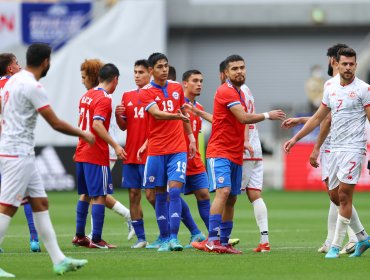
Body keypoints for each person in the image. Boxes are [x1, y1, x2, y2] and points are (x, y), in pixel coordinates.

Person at [0, 43, 92, 277]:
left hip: (22, 152)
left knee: (40, 203)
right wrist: (83, 133)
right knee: (7, 207)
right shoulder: (32, 85)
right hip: (16, 154)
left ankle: (59, 259)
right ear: (45, 62)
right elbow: (55, 122)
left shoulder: (12, 81)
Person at [284, 47, 370, 258]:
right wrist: (296, 138)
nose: (348, 67)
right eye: (345, 64)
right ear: (337, 65)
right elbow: (319, 118)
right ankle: (363, 238)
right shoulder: (330, 86)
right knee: (334, 196)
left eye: (352, 64)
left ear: (356, 65)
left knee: (343, 195)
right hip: (334, 148)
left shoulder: (364, 89)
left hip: (354, 147)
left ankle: (335, 245)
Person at [204, 54, 285, 254]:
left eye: (242, 67)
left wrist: (246, 141)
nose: (239, 71)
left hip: (236, 152)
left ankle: (223, 241)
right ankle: (212, 240)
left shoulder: (240, 93)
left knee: (232, 198)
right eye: (235, 69)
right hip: (220, 151)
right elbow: (243, 118)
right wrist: (268, 115)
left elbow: (240, 120)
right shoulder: (226, 90)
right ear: (226, 74)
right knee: (223, 193)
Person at [72, 59, 133, 250]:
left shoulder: (86, 95)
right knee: (99, 195)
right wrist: (115, 145)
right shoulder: (105, 98)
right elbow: (97, 124)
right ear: (115, 79)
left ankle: (80, 236)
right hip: (96, 154)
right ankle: (96, 239)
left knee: (85, 194)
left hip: (81, 152)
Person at [139, 52, 196, 252]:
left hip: (177, 148)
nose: (164, 70)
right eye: (160, 67)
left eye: (166, 66)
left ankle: (173, 238)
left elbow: (184, 114)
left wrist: (190, 138)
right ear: (151, 70)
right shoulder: (145, 91)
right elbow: (155, 113)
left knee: (174, 191)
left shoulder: (176, 88)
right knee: (159, 194)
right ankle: (164, 238)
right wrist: (176, 116)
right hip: (156, 150)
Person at [0, 53, 42, 253]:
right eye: (16, 63)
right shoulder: (17, 84)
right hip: (14, 147)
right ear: (10, 68)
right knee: (27, 195)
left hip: (6, 148)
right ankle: (34, 238)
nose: (19, 65)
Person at [115, 59, 156, 249]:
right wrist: (118, 115)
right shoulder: (127, 96)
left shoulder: (154, 94)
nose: (137, 76)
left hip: (150, 152)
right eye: (135, 72)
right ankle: (141, 238)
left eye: (141, 72)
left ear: (149, 72)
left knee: (153, 196)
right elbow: (124, 126)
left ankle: (168, 231)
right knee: (133, 194)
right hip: (131, 152)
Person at [180, 69, 210, 247]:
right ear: (185, 83)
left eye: (201, 81)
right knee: (172, 195)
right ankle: (194, 232)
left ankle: (215, 236)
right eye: (195, 80)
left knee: (204, 195)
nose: (199, 84)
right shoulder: (177, 105)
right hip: (177, 158)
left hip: (195, 160)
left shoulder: (199, 109)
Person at [241, 83, 270, 253]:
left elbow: (244, 118)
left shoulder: (237, 91)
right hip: (256, 147)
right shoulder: (248, 90)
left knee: (227, 194)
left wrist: (244, 141)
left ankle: (218, 238)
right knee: (255, 194)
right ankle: (264, 241)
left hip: (245, 148)